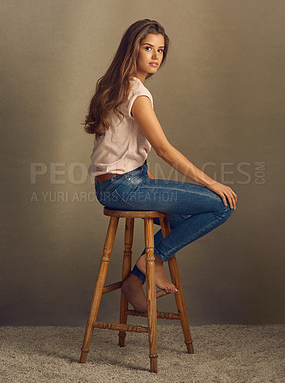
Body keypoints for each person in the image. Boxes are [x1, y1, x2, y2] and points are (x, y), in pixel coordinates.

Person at [84, 19, 237, 312]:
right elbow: (165, 150)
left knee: (180, 222)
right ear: (133, 50)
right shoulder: (138, 95)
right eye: (148, 48)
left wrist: (147, 178)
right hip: (125, 187)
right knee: (221, 205)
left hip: (114, 185)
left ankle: (135, 279)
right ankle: (153, 260)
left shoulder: (113, 86)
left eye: (161, 50)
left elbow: (121, 147)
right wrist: (212, 183)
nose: (156, 56)